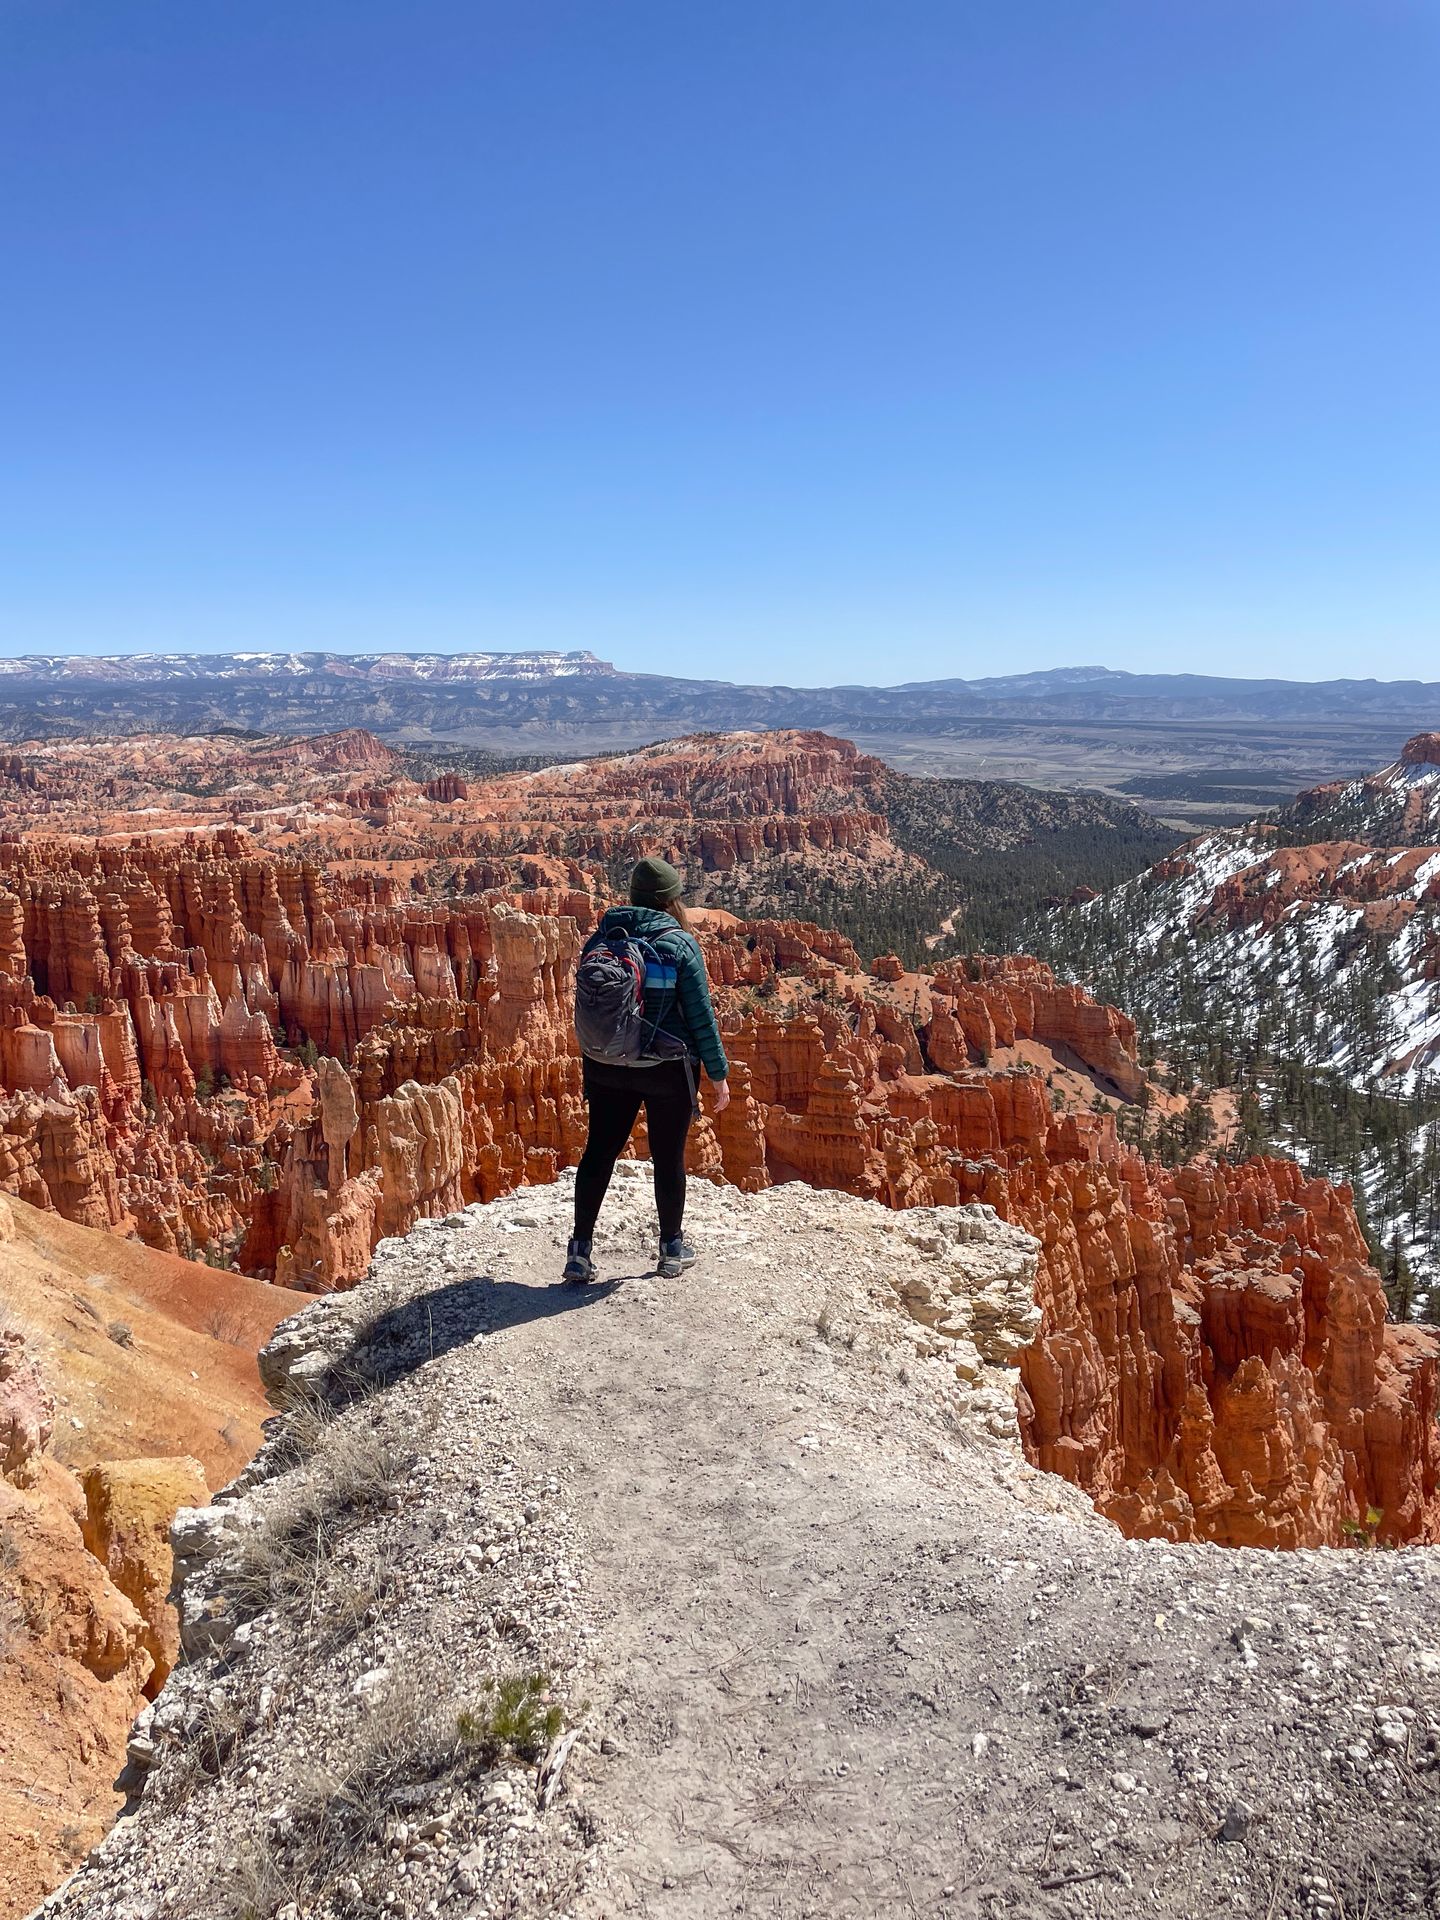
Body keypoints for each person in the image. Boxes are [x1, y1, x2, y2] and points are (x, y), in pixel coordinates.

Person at [566, 856, 730, 1282]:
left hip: (607, 1064)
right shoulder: (679, 944)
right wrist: (717, 1072)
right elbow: (700, 1016)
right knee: (667, 1157)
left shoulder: (604, 936)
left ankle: (579, 1250)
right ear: (670, 901)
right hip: (666, 1069)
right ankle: (671, 1249)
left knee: (599, 1152)